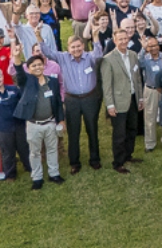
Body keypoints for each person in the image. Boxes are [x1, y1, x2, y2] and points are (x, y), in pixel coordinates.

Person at [44, 36, 103, 174]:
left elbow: (99, 55)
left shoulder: (90, 57)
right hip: (72, 100)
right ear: (68, 48)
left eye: (78, 46)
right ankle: (75, 162)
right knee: (73, 132)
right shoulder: (62, 58)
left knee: (92, 129)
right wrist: (39, 36)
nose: (76, 49)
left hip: (89, 98)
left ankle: (95, 159)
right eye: (73, 47)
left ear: (83, 46)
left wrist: (95, 37)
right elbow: (47, 52)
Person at [11, 52, 66, 190]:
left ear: (44, 66)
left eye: (39, 64)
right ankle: (37, 178)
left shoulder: (52, 81)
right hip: (34, 124)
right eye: (33, 65)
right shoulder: (26, 81)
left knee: (52, 150)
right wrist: (17, 57)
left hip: (50, 122)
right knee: (35, 152)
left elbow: (58, 102)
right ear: (28, 68)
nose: (37, 67)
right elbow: (18, 71)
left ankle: (54, 174)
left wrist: (61, 120)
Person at [100, 29, 144, 174]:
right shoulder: (108, 59)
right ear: (114, 40)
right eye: (120, 39)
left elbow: (137, 78)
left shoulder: (133, 55)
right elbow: (107, 85)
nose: (124, 41)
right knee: (119, 133)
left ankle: (128, 155)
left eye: (126, 38)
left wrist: (140, 97)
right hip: (118, 101)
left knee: (132, 129)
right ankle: (118, 162)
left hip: (132, 98)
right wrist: (110, 105)